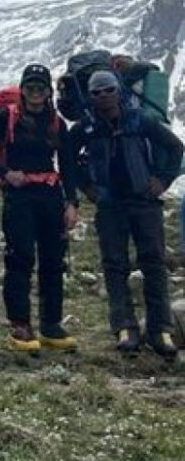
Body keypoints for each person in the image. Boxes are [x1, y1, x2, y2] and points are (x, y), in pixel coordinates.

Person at [70, 69, 184, 359]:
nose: (103, 96)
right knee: (115, 265)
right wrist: (86, 188)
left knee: (154, 263)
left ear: (118, 91)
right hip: (109, 205)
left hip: (143, 201)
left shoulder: (139, 120)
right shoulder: (86, 127)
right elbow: (67, 158)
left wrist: (163, 180)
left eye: (108, 90)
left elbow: (175, 146)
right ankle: (125, 328)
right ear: (90, 96)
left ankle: (161, 330)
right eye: (97, 92)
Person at [0, 64, 79, 352]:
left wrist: (72, 202)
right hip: (19, 197)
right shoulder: (6, 118)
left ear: (48, 92)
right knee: (19, 258)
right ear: (22, 90)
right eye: (30, 88)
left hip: (49, 195)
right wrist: (6, 173)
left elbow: (67, 165)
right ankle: (20, 324)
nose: (35, 93)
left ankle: (51, 324)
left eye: (41, 88)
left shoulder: (57, 123)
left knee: (53, 261)